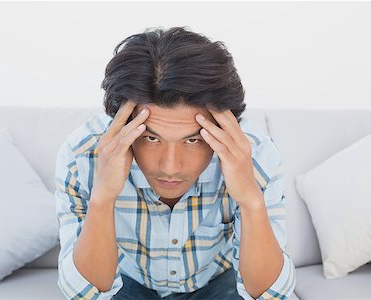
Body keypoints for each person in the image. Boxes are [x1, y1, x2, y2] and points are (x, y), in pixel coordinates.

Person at [54, 26, 296, 300]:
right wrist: (102, 197)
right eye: (151, 138)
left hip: (219, 283)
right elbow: (86, 294)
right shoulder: (82, 156)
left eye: (192, 141)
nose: (170, 167)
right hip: (126, 283)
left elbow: (270, 295)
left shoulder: (255, 155)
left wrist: (250, 200)